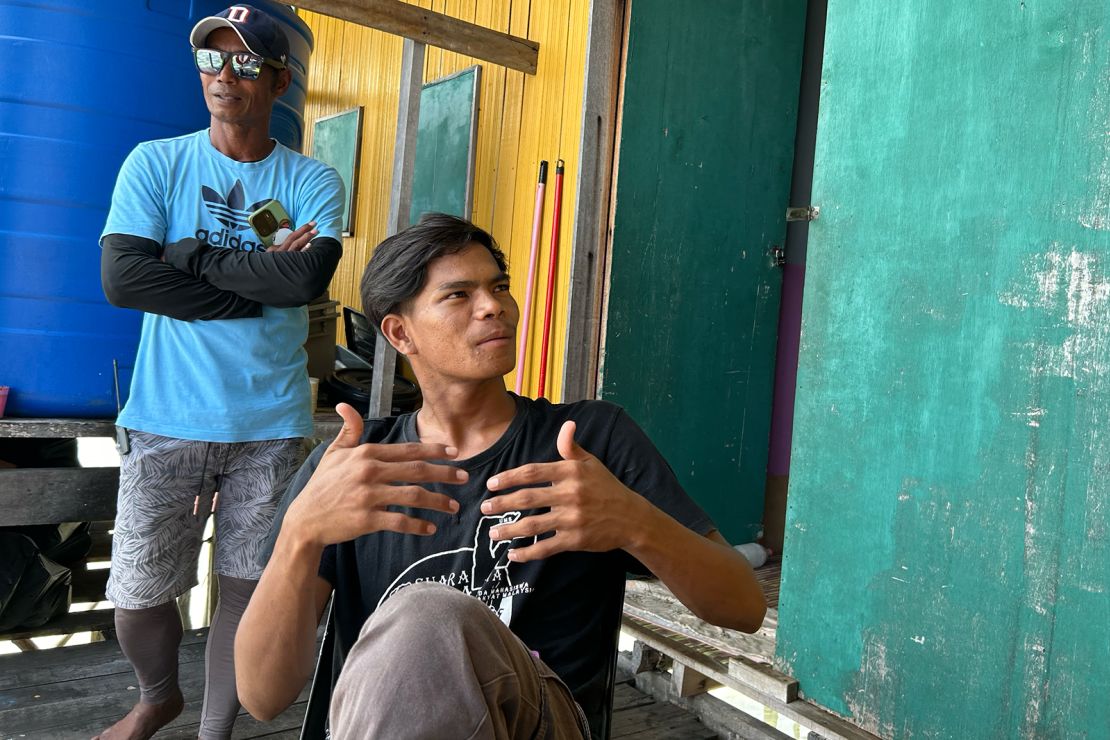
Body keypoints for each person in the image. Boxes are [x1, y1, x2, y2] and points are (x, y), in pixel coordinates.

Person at [235, 214, 767, 739]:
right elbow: (263, 697)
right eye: (458, 295)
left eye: (499, 287)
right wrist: (300, 533)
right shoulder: (352, 467)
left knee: (427, 617)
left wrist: (634, 522)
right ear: (400, 333)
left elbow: (742, 607)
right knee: (423, 624)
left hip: (542, 722)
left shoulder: (589, 442)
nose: (495, 307)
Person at [97, 4, 344, 739]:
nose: (223, 76)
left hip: (268, 423)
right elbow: (123, 280)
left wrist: (189, 257)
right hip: (165, 415)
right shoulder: (157, 162)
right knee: (138, 591)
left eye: (243, 63)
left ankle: (214, 732)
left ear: (278, 80)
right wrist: (250, 286)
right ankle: (156, 696)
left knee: (247, 587)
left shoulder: (311, 178)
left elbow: (304, 283)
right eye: (213, 59)